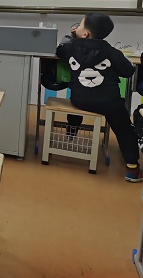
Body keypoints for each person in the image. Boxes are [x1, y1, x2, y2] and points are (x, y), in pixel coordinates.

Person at [56, 12, 141, 182]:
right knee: (124, 128)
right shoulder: (111, 51)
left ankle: (71, 133)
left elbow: (60, 50)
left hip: (80, 100)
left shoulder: (71, 47)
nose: (77, 28)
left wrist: (72, 36)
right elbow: (128, 71)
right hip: (108, 103)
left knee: (77, 98)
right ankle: (132, 167)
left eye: (80, 25)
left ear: (85, 33)